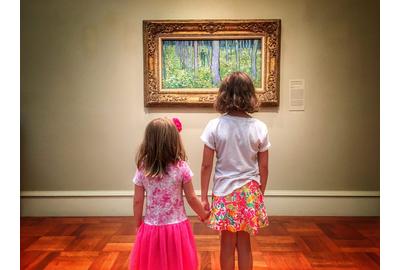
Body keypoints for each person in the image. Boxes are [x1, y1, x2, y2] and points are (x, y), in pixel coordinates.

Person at [200, 72, 270, 270]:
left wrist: (204, 196)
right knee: (245, 244)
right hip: (249, 191)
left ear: (224, 94)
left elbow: (206, 165)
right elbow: (263, 167)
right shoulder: (259, 127)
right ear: (250, 95)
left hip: (224, 192)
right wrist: (260, 193)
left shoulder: (214, 125)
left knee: (227, 244)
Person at [130, 117, 209, 270]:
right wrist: (204, 214)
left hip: (152, 227)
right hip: (176, 227)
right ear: (174, 140)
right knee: (177, 262)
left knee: (153, 262)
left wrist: (138, 224)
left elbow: (137, 201)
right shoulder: (181, 167)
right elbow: (191, 198)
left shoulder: (143, 167)